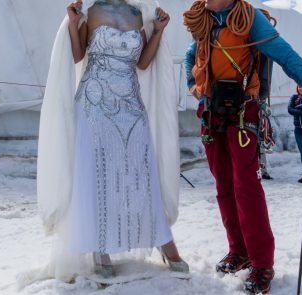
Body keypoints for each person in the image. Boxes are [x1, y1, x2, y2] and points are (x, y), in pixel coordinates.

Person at [183, 0, 302, 293]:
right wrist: (192, 85)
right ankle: (239, 251)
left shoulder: (248, 18)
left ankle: (262, 264)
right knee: (223, 186)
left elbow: (282, 52)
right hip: (212, 111)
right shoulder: (203, 19)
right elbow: (191, 54)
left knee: (246, 187)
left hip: (242, 111)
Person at [36, 0, 188, 282]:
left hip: (131, 104)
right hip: (94, 102)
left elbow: (142, 63)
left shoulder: (137, 14)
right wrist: (72, 23)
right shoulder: (91, 11)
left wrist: (158, 32)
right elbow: (78, 56)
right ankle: (99, 247)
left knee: (142, 173)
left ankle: (163, 240)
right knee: (97, 175)